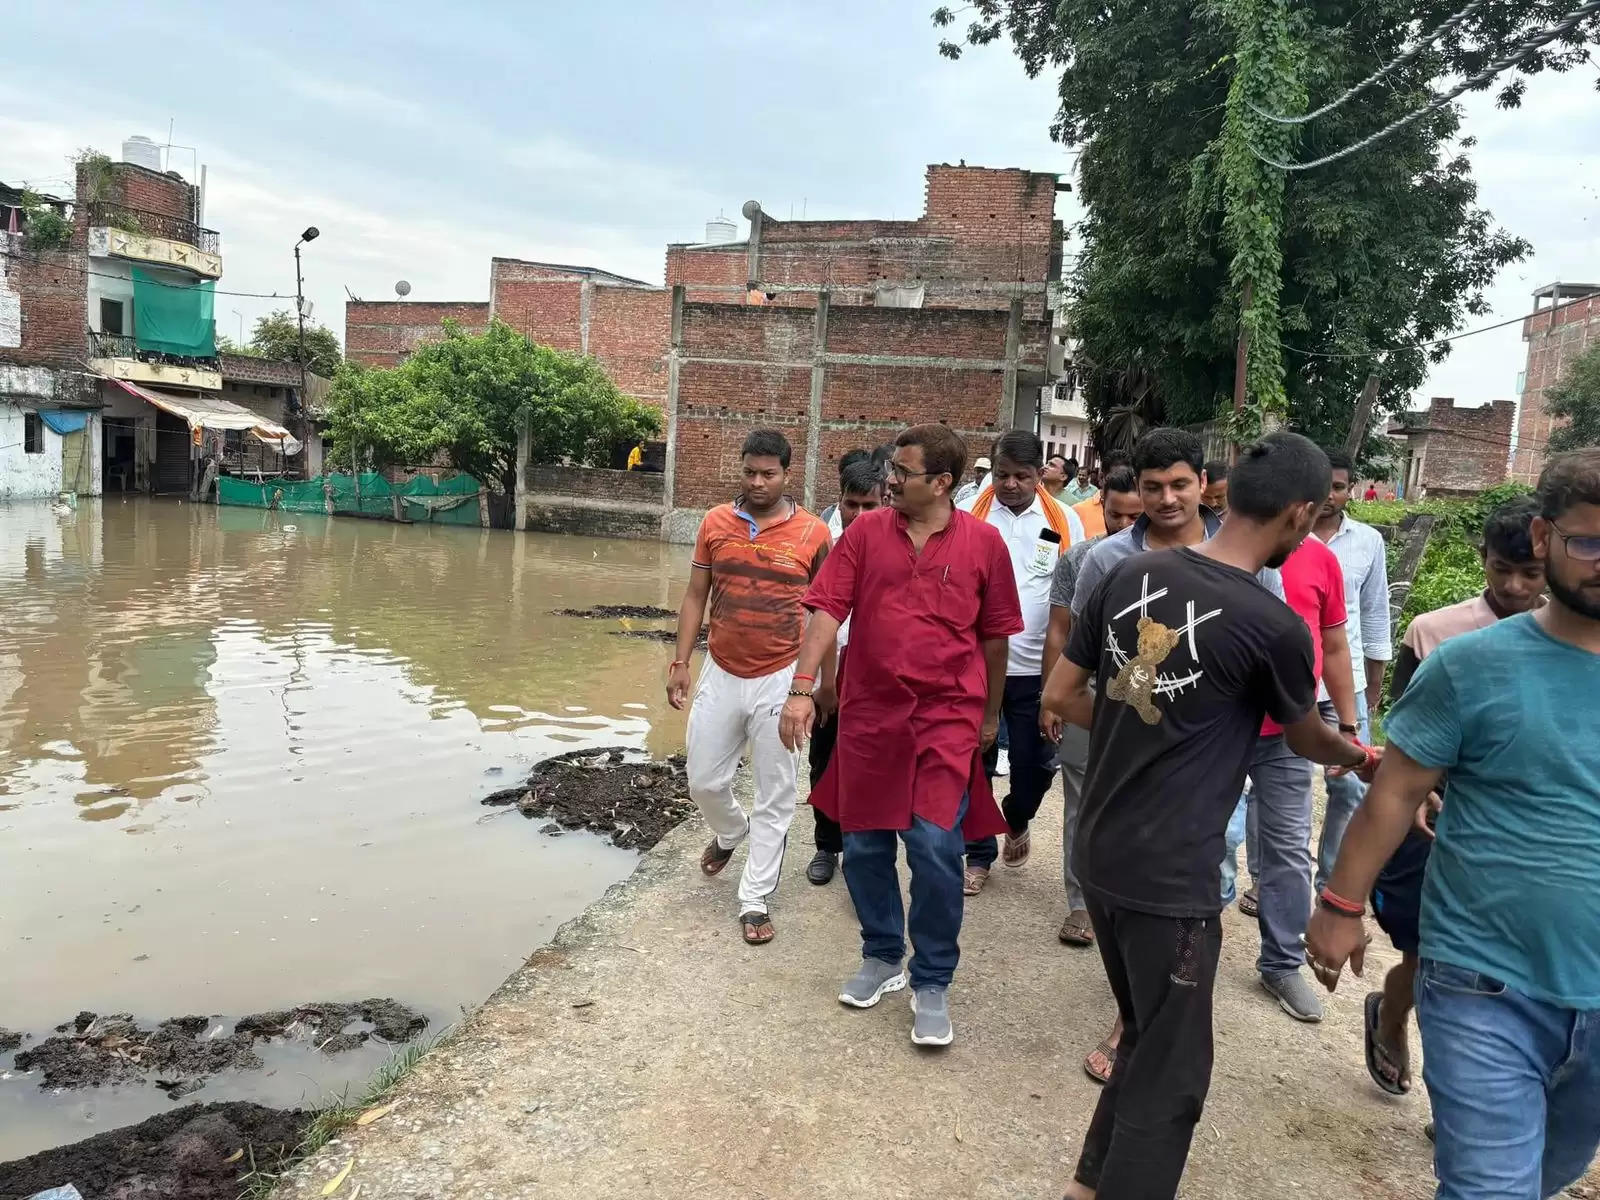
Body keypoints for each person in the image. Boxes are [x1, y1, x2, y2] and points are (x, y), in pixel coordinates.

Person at [1044, 432, 1379, 1200]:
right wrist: (1361, 752)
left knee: (1145, 1036)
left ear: (1220, 493)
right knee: (1174, 1078)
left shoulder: (1129, 572)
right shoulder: (1272, 623)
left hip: (1099, 854)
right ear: (1302, 513)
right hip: (1172, 877)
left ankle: (1088, 1185)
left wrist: (1149, 717)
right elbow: (1304, 737)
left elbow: (1062, 698)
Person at [1308, 450, 1600, 1200]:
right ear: (1542, 536)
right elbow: (1396, 792)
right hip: (1482, 976)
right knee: (1489, 1190)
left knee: (1548, 1174)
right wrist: (1340, 909)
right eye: (1588, 543)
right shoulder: (1471, 665)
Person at [779, 423, 1022, 1048]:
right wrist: (803, 689)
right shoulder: (863, 533)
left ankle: (932, 978)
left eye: (902, 472)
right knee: (862, 847)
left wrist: (990, 717)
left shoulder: (985, 544)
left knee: (935, 846)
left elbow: (995, 638)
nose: (889, 480)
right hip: (870, 715)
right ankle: (883, 953)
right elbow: (827, 609)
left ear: (941, 483)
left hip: (946, 717)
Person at [1064, 427, 1284, 1082]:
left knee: (1208, 868)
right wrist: (1124, 730)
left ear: (1203, 485)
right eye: (1152, 487)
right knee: (1124, 875)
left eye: (1179, 484)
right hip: (1128, 757)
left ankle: (1157, 1009)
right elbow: (1085, 664)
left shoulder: (1250, 566)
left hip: (1207, 766)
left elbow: (1266, 668)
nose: (1166, 499)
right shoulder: (1106, 563)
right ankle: (1135, 1010)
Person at [1359, 496, 1546, 1098]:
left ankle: (1467, 1102)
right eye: (1501, 570)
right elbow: (1406, 732)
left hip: (1514, 833)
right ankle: (1391, 1013)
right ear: (1482, 561)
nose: (1514, 586)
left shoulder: (1575, 640)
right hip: (1431, 818)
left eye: (1530, 574)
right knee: (1424, 952)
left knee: (1492, 972)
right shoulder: (1435, 630)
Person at [668, 429, 831, 946]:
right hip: (721, 667)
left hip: (782, 677)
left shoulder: (813, 534)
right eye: (749, 472)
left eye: (769, 474)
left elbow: (827, 611)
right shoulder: (715, 522)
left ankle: (754, 897)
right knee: (703, 780)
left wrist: (814, 687)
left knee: (776, 792)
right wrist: (680, 662)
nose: (758, 482)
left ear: (788, 475)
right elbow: (696, 595)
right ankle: (730, 831)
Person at [1219, 522, 1360, 1024]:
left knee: (1287, 848)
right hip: (1220, 728)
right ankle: (1182, 950)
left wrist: (1347, 724)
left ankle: (1281, 963)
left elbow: (1336, 643)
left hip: (1290, 731)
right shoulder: (1222, 551)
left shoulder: (1322, 560)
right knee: (1208, 842)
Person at [958, 431, 1087, 896]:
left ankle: (1016, 817)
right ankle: (978, 854)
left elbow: (1075, 595)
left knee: (1036, 765)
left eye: (1021, 476)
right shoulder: (968, 513)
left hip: (1039, 666)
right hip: (975, 663)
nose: (1010, 485)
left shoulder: (1064, 520)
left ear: (1039, 476)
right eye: (1002, 475)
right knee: (975, 762)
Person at [1041, 465, 1142, 947]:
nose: (1124, 525)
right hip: (1090, 695)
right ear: (1100, 505)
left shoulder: (1184, 562)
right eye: (1115, 514)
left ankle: (1131, 896)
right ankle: (1081, 902)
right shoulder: (1083, 559)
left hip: (1150, 702)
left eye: (1134, 516)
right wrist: (1053, 698)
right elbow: (1061, 630)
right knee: (1081, 797)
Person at [1310, 449, 1392, 894]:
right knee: (1272, 783)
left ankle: (1331, 886)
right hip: (1291, 684)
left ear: (1350, 490)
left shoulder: (1367, 542)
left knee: (1349, 788)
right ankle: (1265, 881)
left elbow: (1376, 614)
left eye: (1338, 487)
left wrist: (1373, 685)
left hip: (1346, 685)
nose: (1329, 496)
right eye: (1321, 487)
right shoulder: (1281, 536)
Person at [804, 456, 884, 886]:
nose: (859, 515)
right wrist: (816, 683)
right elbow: (813, 615)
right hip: (828, 674)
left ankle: (862, 854)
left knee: (869, 767)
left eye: (869, 506)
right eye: (852, 504)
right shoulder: (821, 540)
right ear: (840, 501)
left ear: (885, 502)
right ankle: (826, 845)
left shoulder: (897, 542)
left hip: (875, 673)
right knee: (824, 758)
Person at [1074, 450, 1130, 540]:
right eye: (1115, 478)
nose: (1124, 524)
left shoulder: (1148, 514)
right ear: (1101, 478)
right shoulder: (1077, 512)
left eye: (1127, 478)